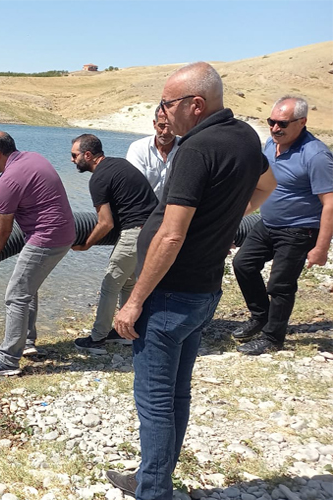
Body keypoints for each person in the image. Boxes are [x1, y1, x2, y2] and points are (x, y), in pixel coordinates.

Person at [107, 62, 277, 499]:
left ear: (195, 105)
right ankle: (153, 477)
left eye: (168, 103)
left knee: (154, 401)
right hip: (203, 293)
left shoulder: (197, 148)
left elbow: (171, 232)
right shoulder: (242, 135)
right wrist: (222, 221)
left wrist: (134, 300)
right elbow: (268, 184)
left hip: (168, 297)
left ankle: (153, 491)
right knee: (175, 394)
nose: (163, 112)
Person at [232, 96, 333, 355]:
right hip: (268, 223)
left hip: (300, 229)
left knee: (280, 285)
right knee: (243, 264)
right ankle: (261, 315)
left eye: (282, 123)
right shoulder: (270, 144)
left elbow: (330, 204)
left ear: (302, 122)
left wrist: (321, 248)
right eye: (271, 122)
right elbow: (259, 183)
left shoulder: (317, 155)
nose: (275, 128)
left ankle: (272, 339)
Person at [0, 130, 75, 376]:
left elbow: (3, 231)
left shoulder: (7, 182)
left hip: (46, 238)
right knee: (28, 289)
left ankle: (7, 360)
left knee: (15, 295)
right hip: (64, 234)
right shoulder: (33, 158)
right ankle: (26, 342)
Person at [69, 134, 158, 354]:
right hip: (153, 231)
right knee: (128, 283)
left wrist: (86, 244)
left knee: (110, 285)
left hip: (135, 233)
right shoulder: (118, 164)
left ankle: (98, 339)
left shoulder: (98, 178)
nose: (72, 160)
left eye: (74, 155)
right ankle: (125, 333)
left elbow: (105, 223)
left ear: (87, 155)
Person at [126, 111, 178, 201]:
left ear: (177, 126)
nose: (165, 132)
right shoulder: (138, 148)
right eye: (161, 126)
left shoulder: (185, 148)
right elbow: (134, 185)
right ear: (154, 124)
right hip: (143, 209)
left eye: (170, 127)